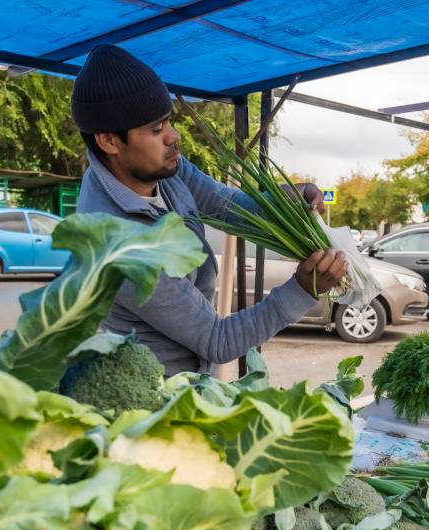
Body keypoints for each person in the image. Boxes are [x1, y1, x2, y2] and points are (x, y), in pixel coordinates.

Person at [70, 45, 348, 376]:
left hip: (198, 377)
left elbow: (225, 206)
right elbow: (218, 340)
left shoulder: (158, 168)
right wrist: (303, 289)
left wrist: (284, 199)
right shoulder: (120, 247)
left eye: (168, 121)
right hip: (160, 402)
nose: (174, 137)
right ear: (109, 142)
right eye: (156, 130)